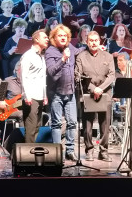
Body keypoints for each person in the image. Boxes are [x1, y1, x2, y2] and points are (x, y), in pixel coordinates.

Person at [45, 25, 85, 162]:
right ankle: (57, 153)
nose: (63, 38)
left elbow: (79, 50)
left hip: (70, 92)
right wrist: (63, 59)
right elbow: (51, 71)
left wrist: (93, 48)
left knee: (72, 122)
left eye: (65, 36)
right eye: (60, 35)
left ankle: (70, 151)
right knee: (56, 123)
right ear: (54, 38)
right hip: (56, 92)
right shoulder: (50, 51)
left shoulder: (70, 48)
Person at [75, 31, 116, 162]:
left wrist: (100, 89)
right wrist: (94, 89)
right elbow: (78, 76)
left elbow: (112, 75)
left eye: (96, 40)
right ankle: (89, 150)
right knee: (87, 125)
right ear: (87, 42)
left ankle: (103, 151)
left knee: (105, 125)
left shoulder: (108, 56)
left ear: (99, 41)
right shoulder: (81, 56)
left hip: (105, 93)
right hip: (88, 93)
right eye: (91, 40)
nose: (94, 43)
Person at [19, 29, 49, 143]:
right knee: (31, 127)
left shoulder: (41, 56)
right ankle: (28, 150)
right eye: (44, 37)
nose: (47, 39)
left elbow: (42, 78)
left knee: (37, 126)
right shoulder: (28, 55)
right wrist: (27, 95)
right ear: (36, 39)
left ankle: (33, 149)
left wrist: (45, 95)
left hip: (40, 95)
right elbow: (24, 76)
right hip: (31, 96)